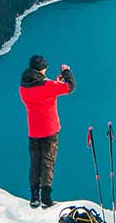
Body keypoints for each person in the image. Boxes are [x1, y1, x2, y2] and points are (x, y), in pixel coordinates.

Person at [19, 54, 75, 209]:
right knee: (47, 164)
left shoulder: (23, 87)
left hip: (34, 131)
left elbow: (41, 92)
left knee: (35, 164)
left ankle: (34, 197)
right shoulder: (48, 87)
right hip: (49, 131)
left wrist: (53, 83)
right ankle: (46, 199)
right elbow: (70, 87)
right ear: (42, 68)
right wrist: (66, 72)